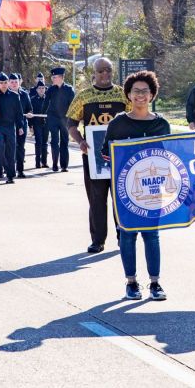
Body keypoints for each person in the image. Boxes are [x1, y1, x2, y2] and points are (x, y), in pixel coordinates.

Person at [101, 71, 170, 300]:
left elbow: (169, 156)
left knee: (152, 235)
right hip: (125, 191)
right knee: (128, 235)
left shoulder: (161, 124)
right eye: (136, 91)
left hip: (153, 190)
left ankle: (155, 283)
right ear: (128, 95)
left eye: (145, 91)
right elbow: (106, 153)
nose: (140, 95)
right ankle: (131, 283)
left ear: (152, 94)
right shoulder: (118, 123)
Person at [67, 57, 130, 253]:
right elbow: (71, 123)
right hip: (93, 157)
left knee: (121, 198)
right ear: (94, 73)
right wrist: (80, 141)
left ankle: (123, 236)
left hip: (120, 156)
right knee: (96, 199)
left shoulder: (122, 94)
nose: (105, 74)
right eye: (101, 71)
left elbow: (133, 118)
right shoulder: (84, 96)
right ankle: (97, 240)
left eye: (108, 70)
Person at [0, 73, 24, 184]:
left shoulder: (14, 96)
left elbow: (19, 113)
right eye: (1, 83)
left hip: (10, 126)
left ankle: (10, 176)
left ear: (8, 83)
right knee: (0, 147)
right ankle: (0, 167)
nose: (4, 85)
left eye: (5, 82)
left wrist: (20, 126)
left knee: (11, 150)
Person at [43, 67, 75, 172]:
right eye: (52, 77)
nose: (52, 79)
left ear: (61, 77)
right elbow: (45, 103)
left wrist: (72, 119)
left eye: (54, 77)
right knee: (54, 141)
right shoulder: (51, 89)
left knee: (64, 142)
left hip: (65, 119)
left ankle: (64, 166)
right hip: (53, 118)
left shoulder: (69, 89)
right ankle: (55, 164)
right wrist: (42, 116)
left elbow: (72, 106)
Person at [9, 73, 34, 178]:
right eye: (12, 82)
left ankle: (20, 170)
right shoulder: (5, 94)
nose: (14, 84)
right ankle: (8, 168)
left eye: (16, 82)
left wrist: (29, 114)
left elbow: (29, 108)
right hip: (9, 124)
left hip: (22, 123)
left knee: (20, 147)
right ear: (9, 83)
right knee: (10, 147)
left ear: (19, 83)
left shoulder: (24, 94)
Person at [29, 80, 48, 168]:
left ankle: (44, 162)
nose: (41, 90)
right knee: (38, 142)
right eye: (39, 88)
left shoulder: (48, 99)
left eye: (43, 88)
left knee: (45, 143)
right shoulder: (32, 100)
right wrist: (30, 125)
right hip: (37, 124)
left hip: (46, 124)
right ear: (36, 90)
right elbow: (30, 113)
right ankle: (37, 162)